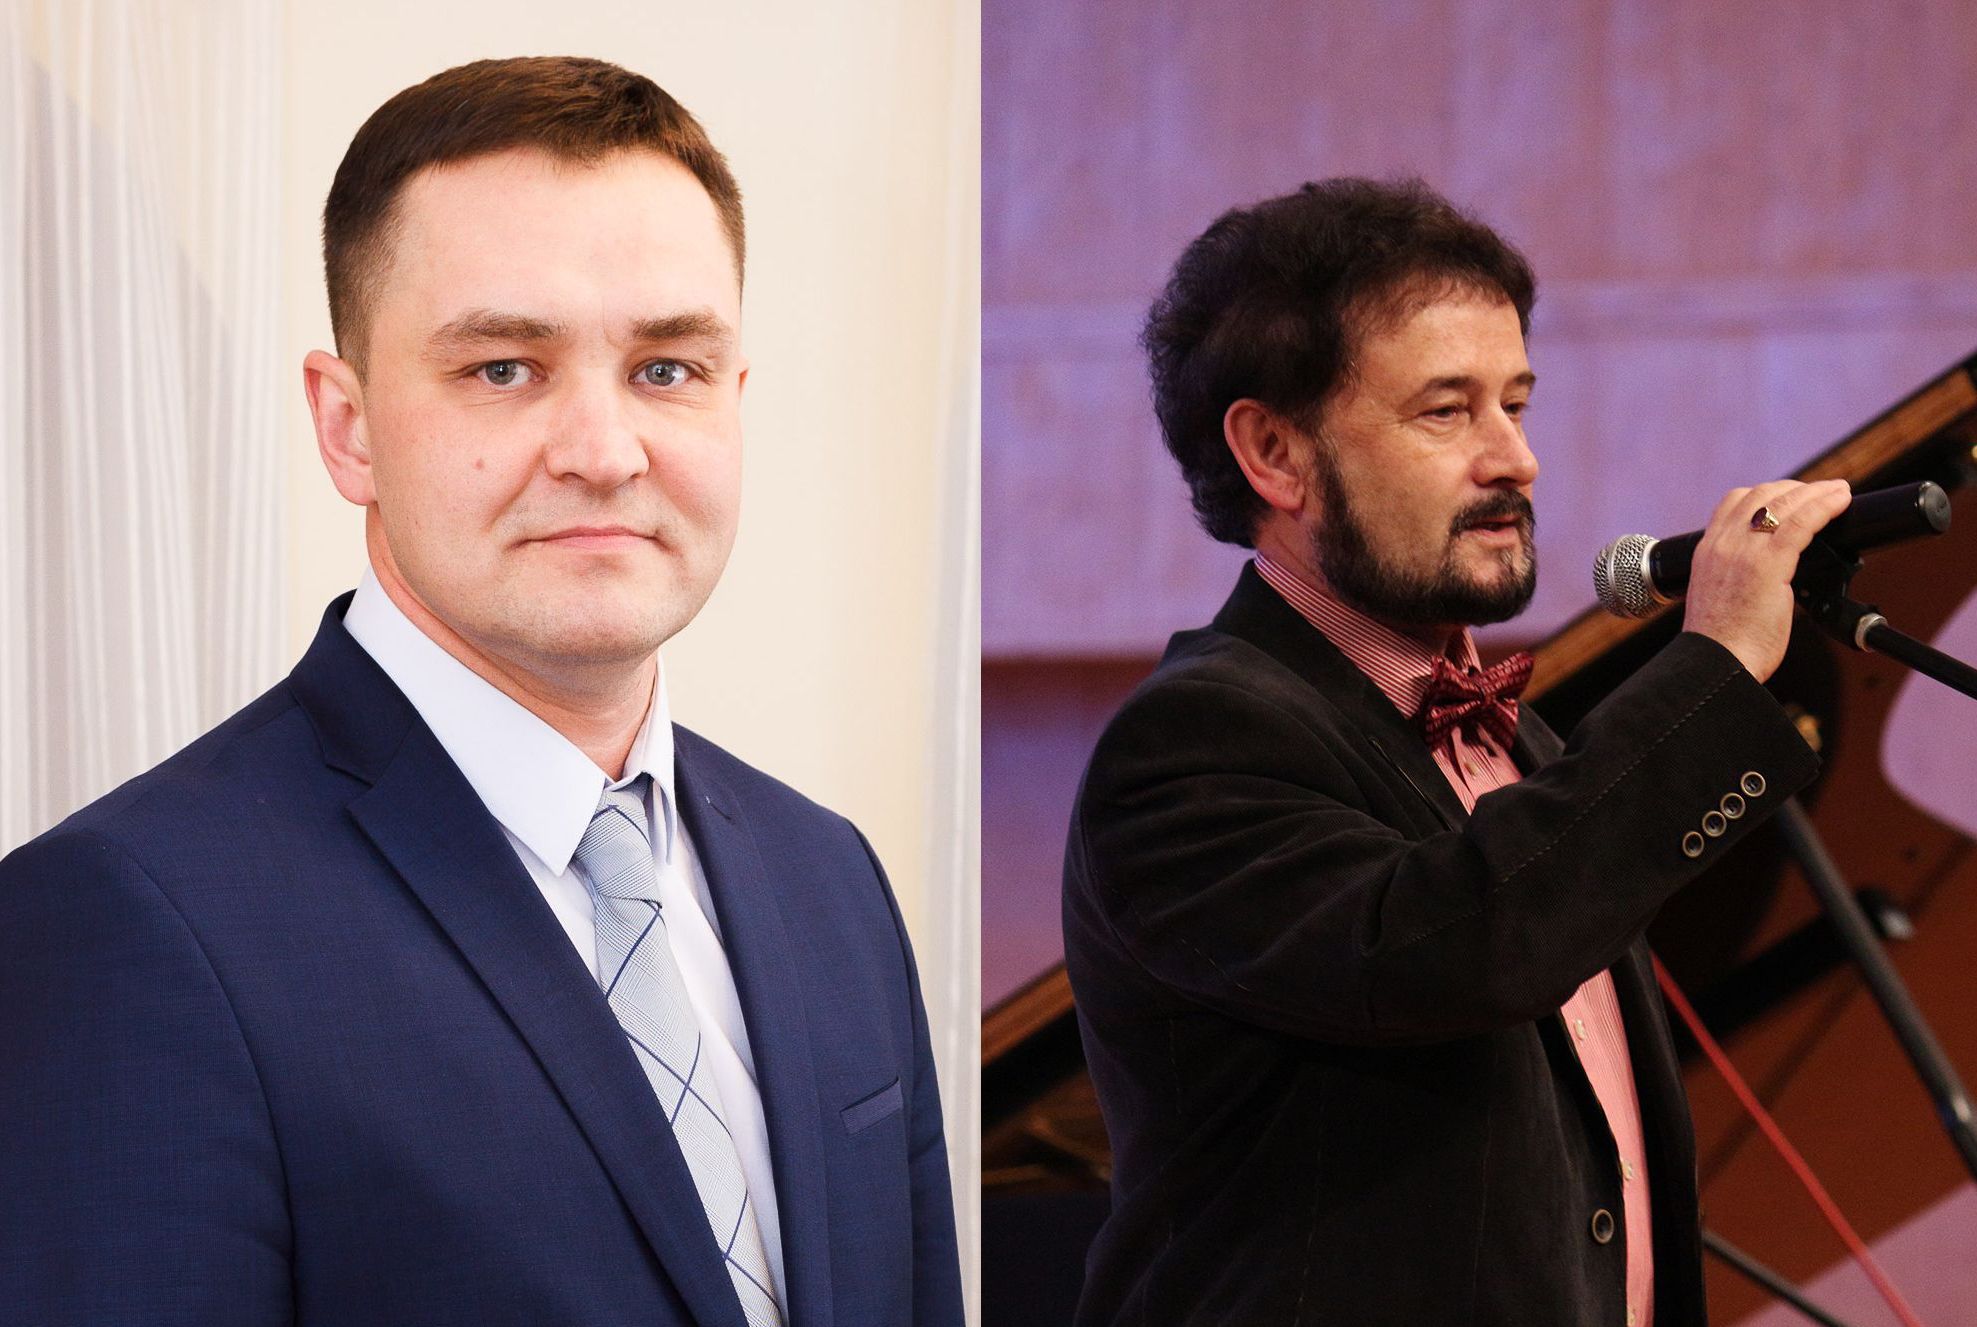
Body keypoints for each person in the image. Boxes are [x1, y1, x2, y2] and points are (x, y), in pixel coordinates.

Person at [0, 57, 961, 1327]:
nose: (605, 453)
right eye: (504, 367)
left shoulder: (828, 876)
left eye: (667, 368)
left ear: (735, 402)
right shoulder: (130, 920)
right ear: (347, 426)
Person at [1061, 177, 1852, 1326]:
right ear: (1275, 452)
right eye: (1447, 411)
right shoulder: (1194, 742)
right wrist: (1716, 660)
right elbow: (1459, 945)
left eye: (1516, 403)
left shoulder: (1523, 739)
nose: (1515, 459)